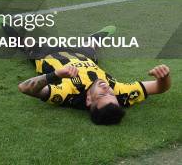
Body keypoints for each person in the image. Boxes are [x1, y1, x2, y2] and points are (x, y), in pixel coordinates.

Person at [14, 26, 172, 125]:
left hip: (47, 52)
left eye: (103, 94)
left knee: (22, 41)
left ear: (89, 100)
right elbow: (159, 88)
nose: (107, 88)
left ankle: (7, 26)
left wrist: (55, 75)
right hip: (84, 55)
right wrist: (164, 77)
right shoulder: (119, 92)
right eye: (111, 94)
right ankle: (96, 38)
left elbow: (24, 88)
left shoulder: (68, 93)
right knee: (91, 47)